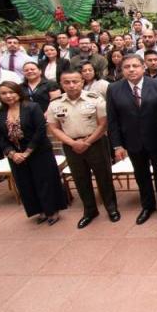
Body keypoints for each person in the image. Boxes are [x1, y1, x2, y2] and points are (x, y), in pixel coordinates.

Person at [47, 70, 119, 228]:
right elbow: (54, 127)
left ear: (82, 82)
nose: (71, 85)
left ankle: (111, 207)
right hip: (71, 145)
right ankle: (90, 210)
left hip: (96, 143)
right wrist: (73, 143)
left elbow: (103, 124)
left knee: (104, 177)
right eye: (67, 82)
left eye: (75, 81)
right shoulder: (55, 103)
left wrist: (87, 142)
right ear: (61, 84)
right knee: (80, 179)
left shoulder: (94, 99)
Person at [106, 54, 157, 225]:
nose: (131, 69)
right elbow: (112, 120)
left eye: (135, 65)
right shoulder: (113, 89)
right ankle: (148, 206)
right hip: (133, 141)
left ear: (143, 67)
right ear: (121, 70)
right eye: (127, 67)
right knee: (141, 175)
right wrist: (117, 145)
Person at [0, 81, 67, 225]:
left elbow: (40, 131)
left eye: (11, 92)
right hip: (15, 154)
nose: (8, 96)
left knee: (45, 181)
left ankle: (52, 210)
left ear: (19, 92)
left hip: (38, 151)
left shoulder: (32, 107)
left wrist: (27, 152)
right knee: (25, 183)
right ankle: (40, 210)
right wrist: (11, 153)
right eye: (4, 93)